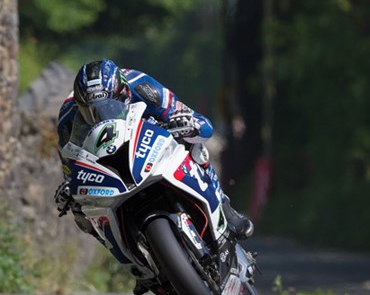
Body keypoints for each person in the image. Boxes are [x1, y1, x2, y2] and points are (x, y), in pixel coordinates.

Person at [54, 59, 254, 246]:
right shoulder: (68, 118)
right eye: (90, 112)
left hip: (150, 141)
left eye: (109, 107)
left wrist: (188, 124)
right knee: (82, 214)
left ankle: (223, 205)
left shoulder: (141, 85)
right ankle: (137, 265)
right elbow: (69, 162)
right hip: (106, 164)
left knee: (194, 143)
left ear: (123, 93)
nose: (100, 116)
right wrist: (69, 186)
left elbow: (200, 124)